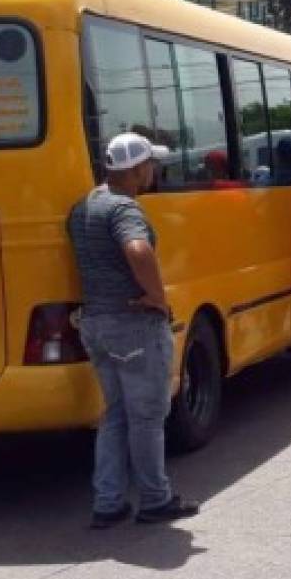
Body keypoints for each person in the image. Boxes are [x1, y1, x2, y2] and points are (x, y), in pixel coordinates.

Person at [67, 132, 199, 528]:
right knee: (147, 416)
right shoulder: (125, 209)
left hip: (96, 323)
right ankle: (155, 499)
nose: (153, 171)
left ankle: (108, 502)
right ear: (136, 168)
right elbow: (138, 250)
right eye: (149, 164)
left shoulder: (83, 206)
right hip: (132, 325)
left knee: (115, 415)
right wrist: (156, 296)